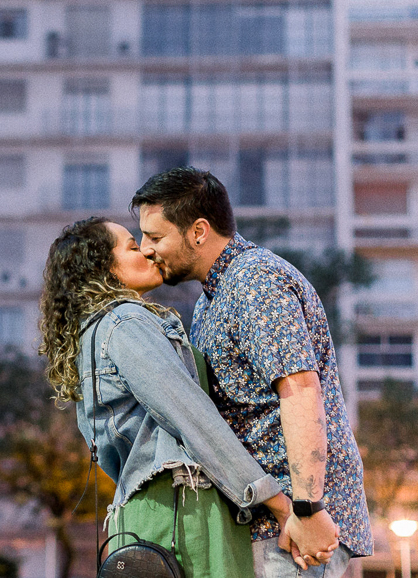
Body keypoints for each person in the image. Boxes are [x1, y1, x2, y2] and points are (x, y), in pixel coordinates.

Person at [39, 217, 323, 578]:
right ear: (103, 267)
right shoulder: (125, 324)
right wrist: (281, 504)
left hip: (147, 513)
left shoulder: (92, 334)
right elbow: (193, 418)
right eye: (132, 246)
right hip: (183, 510)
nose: (146, 251)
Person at [131, 168, 374, 578]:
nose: (145, 249)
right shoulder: (213, 297)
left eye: (154, 237)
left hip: (292, 526)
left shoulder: (255, 281)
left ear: (199, 232)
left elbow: (300, 391)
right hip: (272, 521)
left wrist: (308, 508)